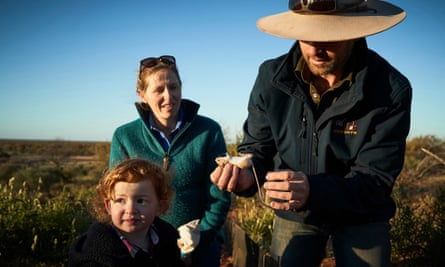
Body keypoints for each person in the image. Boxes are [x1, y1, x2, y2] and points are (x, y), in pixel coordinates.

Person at [210, 0, 412, 266]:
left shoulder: (391, 90)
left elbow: (376, 180)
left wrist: (313, 191)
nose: (316, 49)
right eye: (307, 35)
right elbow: (258, 149)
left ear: (355, 32)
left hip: (363, 214)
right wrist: (247, 176)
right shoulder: (271, 78)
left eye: (329, 37)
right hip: (296, 214)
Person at [108, 55, 231, 267]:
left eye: (174, 87)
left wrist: (200, 236)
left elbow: (219, 196)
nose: (169, 96)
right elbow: (118, 198)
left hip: (202, 240)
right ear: (142, 95)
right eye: (158, 90)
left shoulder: (208, 132)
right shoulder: (125, 136)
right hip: (145, 245)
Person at [69, 158, 185, 267]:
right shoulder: (95, 254)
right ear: (109, 206)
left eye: (140, 201)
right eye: (121, 200)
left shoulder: (168, 239)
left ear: (160, 206)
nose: (130, 209)